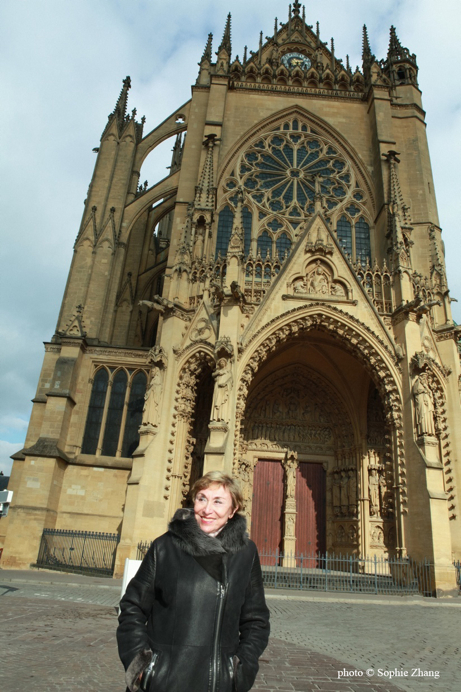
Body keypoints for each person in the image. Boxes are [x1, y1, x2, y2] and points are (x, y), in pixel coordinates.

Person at [117, 471, 270, 692]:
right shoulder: (165, 547)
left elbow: (256, 620)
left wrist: (239, 670)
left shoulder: (246, 553)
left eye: (218, 501)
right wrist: (142, 667)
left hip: (219, 683)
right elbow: (132, 607)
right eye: (201, 499)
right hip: (163, 681)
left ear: (233, 510)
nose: (207, 510)